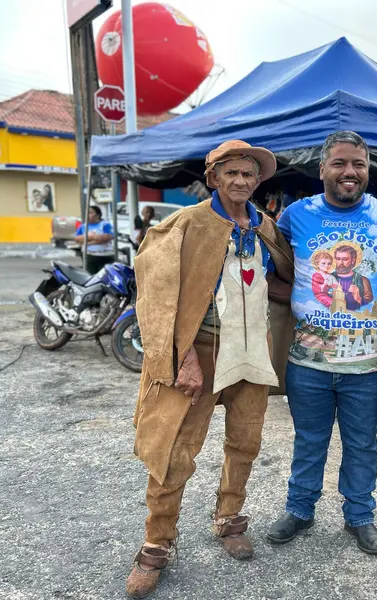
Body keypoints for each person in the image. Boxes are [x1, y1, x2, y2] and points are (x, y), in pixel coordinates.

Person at [124, 140, 294, 599]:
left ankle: (229, 520)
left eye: (249, 175)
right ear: (213, 177)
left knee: (245, 442)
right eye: (231, 173)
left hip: (251, 350)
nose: (241, 181)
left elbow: (283, 278)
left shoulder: (265, 227)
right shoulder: (185, 223)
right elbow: (156, 300)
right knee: (175, 449)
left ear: (258, 181)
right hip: (201, 351)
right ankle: (156, 544)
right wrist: (182, 357)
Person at [268, 131, 377, 555]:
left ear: (368, 170)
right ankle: (300, 510)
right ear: (322, 170)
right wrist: (295, 298)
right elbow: (270, 265)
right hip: (308, 361)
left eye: (358, 164)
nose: (349, 172)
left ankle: (360, 516)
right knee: (309, 440)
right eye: (339, 163)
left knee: (361, 443)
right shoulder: (295, 215)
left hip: (367, 366)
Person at [75, 206, 115, 274]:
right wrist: (95, 237)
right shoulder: (83, 226)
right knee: (90, 275)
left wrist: (87, 241)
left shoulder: (105, 224)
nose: (88, 215)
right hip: (89, 255)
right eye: (87, 213)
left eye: (90, 213)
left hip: (104, 255)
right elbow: (77, 239)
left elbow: (106, 237)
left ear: (98, 214)